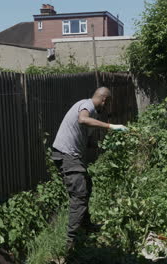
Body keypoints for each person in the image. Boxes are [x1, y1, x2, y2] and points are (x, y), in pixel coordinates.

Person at [51, 86, 127, 248]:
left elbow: (88, 142)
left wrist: (107, 146)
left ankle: (85, 226)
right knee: (79, 194)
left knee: (87, 185)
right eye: (107, 105)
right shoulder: (87, 105)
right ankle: (71, 242)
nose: (106, 108)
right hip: (66, 154)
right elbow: (82, 119)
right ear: (104, 100)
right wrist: (111, 126)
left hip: (71, 155)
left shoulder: (92, 113)